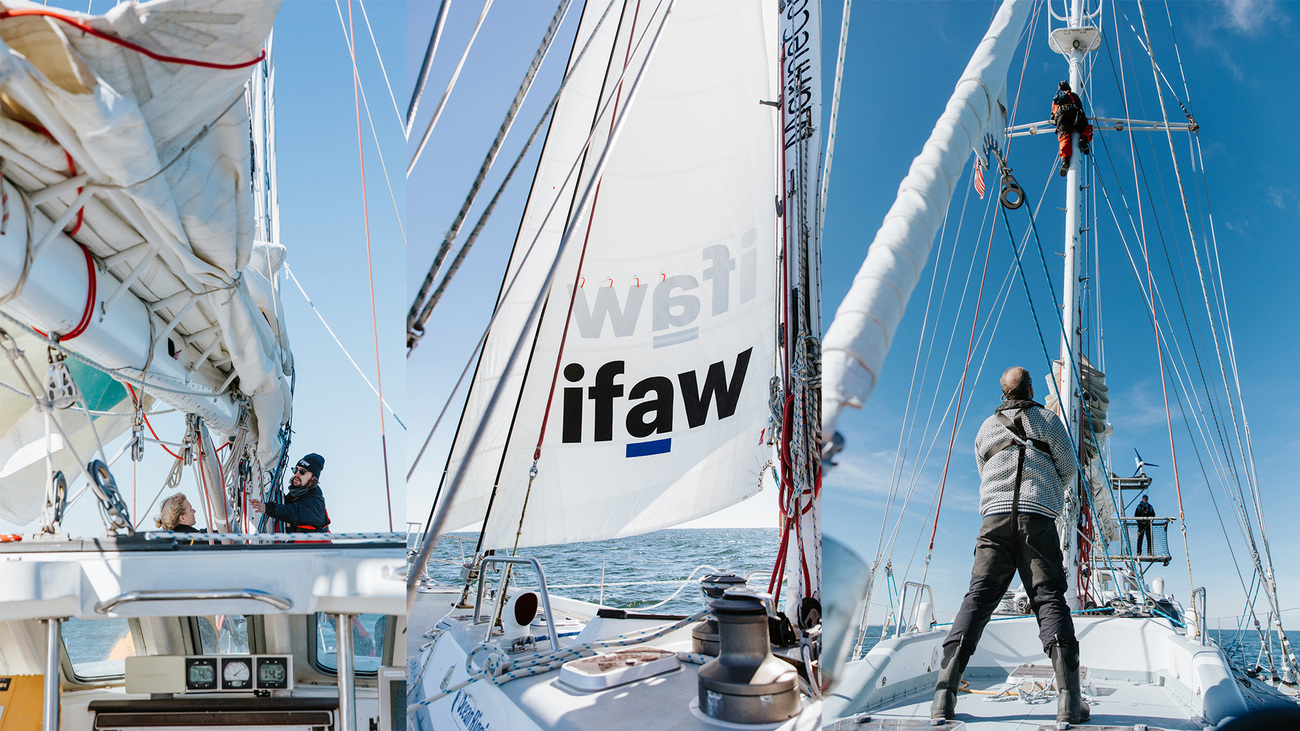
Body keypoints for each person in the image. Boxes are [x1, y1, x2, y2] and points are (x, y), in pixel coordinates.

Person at [931, 366, 1089, 725]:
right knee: (1048, 599)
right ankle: (1069, 701)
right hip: (1037, 520)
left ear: (1003, 392)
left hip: (994, 523)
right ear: (1031, 388)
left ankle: (943, 698)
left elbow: (983, 470)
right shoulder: (1049, 421)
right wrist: (1046, 489)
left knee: (978, 599)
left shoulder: (986, 428)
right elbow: (1068, 470)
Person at [249, 453, 331, 533]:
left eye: (302, 472)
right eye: (295, 470)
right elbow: (284, 505)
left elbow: (294, 513)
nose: (297, 474)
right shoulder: (295, 495)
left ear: (313, 478)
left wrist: (267, 508)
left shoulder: (315, 503)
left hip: (312, 547)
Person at [1051, 80, 1093, 177]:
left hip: (1061, 117)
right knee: (1087, 128)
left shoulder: (1055, 101)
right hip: (1074, 114)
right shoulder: (1073, 95)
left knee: (1064, 137)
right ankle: (1083, 139)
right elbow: (1080, 107)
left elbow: (1052, 117)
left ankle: (1065, 159)